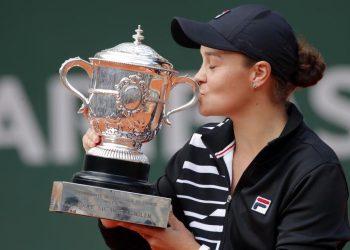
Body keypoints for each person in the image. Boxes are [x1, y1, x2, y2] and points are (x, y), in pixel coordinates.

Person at [82, 4, 350, 250]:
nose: (199, 77)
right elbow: (140, 240)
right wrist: (111, 165)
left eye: (213, 64)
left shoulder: (314, 172)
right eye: (202, 62)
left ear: (258, 74)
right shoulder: (202, 147)